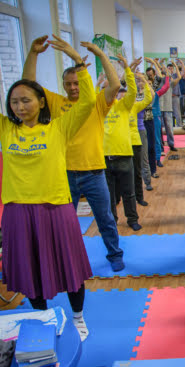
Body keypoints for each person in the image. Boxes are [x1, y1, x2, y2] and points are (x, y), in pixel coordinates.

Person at [1, 34, 95, 341]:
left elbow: (89, 101)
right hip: (17, 211)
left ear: (42, 102)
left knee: (71, 269)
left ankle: (78, 319)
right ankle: (43, 320)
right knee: (30, 274)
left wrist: (79, 62)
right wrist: (31, 53)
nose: (20, 106)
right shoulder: (6, 128)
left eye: (26, 101)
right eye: (14, 102)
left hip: (55, 208)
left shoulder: (59, 127)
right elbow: (25, 86)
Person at [22, 36, 125, 272]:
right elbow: (28, 84)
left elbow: (116, 85)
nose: (73, 88)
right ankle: (67, 258)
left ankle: (115, 253)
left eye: (77, 83)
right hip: (63, 173)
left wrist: (100, 55)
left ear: (84, 81)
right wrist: (33, 54)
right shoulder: (56, 103)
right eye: (68, 84)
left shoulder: (97, 103)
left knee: (105, 218)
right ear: (62, 85)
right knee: (63, 223)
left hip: (94, 172)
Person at [103, 55, 142, 231]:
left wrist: (128, 69)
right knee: (109, 195)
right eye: (106, 89)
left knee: (129, 192)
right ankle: (112, 220)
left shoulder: (123, 106)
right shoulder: (98, 109)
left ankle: (132, 219)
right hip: (104, 157)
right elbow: (88, 98)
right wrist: (98, 84)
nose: (109, 92)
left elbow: (132, 91)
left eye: (111, 89)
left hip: (124, 156)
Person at [129, 72, 153, 204]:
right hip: (127, 134)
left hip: (141, 131)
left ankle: (147, 182)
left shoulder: (140, 101)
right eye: (137, 81)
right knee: (130, 165)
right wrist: (129, 70)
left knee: (143, 160)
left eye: (140, 81)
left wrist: (144, 80)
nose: (139, 83)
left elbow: (151, 97)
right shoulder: (126, 100)